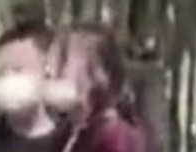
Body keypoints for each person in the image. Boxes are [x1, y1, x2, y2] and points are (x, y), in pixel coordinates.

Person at [0, 21, 71, 152]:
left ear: (47, 70)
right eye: (0, 73)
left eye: (18, 69)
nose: (9, 79)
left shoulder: (74, 137)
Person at [45, 24, 151, 152]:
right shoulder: (68, 132)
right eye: (48, 63)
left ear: (96, 74)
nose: (49, 71)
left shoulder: (115, 136)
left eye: (62, 61)